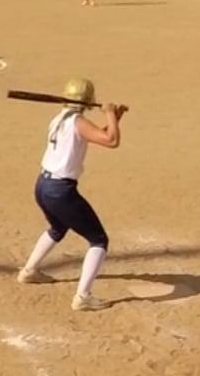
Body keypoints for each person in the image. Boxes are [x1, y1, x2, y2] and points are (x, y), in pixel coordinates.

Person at [15, 78, 128, 312]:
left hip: (43, 186)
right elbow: (111, 141)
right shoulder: (78, 122)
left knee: (58, 228)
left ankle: (29, 271)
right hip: (60, 191)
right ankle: (83, 296)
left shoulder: (59, 119)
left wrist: (114, 119)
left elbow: (98, 135)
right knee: (99, 240)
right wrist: (108, 114)